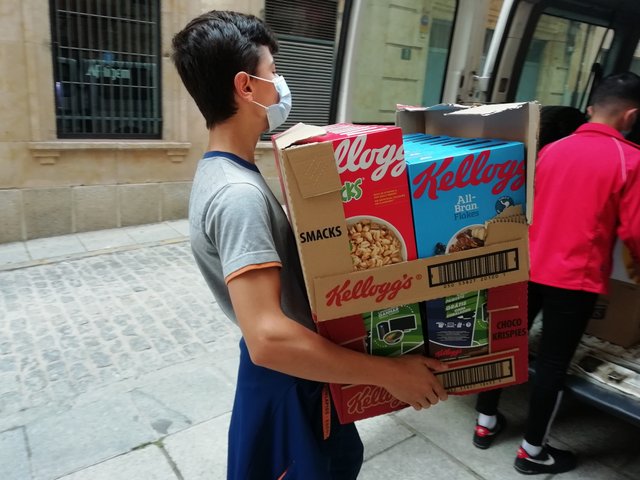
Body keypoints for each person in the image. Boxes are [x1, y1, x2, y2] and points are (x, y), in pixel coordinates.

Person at [171, 11, 449, 480]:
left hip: (300, 378)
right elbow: (268, 338)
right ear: (246, 86)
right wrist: (391, 374)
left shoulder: (227, 171)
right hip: (291, 384)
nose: (281, 84)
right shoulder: (237, 195)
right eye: (273, 71)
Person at [471, 72, 640, 475]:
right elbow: (635, 231)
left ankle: (485, 424)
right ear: (631, 116)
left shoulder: (551, 149)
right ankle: (532, 452)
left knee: (506, 344)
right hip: (574, 280)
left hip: (527, 267)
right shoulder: (630, 160)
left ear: (591, 108)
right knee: (552, 365)